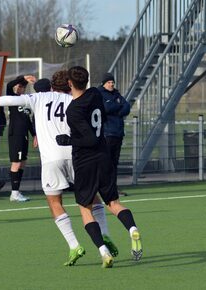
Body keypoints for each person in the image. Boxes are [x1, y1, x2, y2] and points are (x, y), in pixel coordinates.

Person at [0, 71, 118, 266]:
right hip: (77, 156)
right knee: (90, 198)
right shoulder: (75, 99)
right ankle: (104, 235)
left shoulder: (39, 97)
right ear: (69, 85)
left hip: (52, 160)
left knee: (54, 201)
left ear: (52, 86)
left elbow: (12, 100)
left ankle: (74, 245)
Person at [56, 66, 142, 268]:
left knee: (85, 209)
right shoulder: (95, 93)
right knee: (113, 203)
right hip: (104, 157)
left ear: (70, 84)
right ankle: (132, 229)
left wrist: (68, 140)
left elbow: (88, 139)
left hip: (85, 161)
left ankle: (104, 253)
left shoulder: (73, 110)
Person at [98, 72, 131, 196]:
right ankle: (104, 188)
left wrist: (116, 108)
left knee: (114, 163)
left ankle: (113, 188)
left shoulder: (116, 94)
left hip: (118, 133)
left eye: (112, 82)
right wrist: (118, 106)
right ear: (104, 83)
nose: (111, 84)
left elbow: (127, 106)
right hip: (107, 133)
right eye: (109, 82)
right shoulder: (100, 94)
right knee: (106, 162)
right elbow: (106, 108)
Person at [6, 75, 37, 202]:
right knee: (16, 162)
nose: (20, 88)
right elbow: (9, 86)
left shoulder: (25, 101)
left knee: (23, 162)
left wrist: (34, 134)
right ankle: (14, 193)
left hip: (24, 135)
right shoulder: (12, 98)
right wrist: (23, 78)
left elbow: (28, 121)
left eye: (23, 87)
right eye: (19, 86)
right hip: (16, 135)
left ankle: (16, 191)